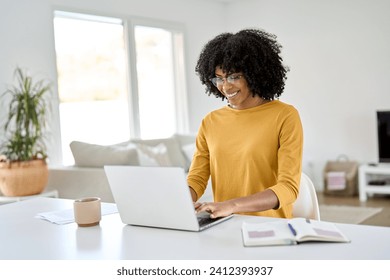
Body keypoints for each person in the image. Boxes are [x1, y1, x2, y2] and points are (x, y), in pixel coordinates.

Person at [187, 28, 303, 219]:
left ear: (254, 73)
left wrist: (231, 205)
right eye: (219, 78)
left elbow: (288, 188)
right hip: (224, 223)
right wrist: (177, 200)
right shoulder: (210, 122)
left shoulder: (285, 116)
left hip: (269, 228)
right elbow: (197, 179)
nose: (225, 86)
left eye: (234, 77)